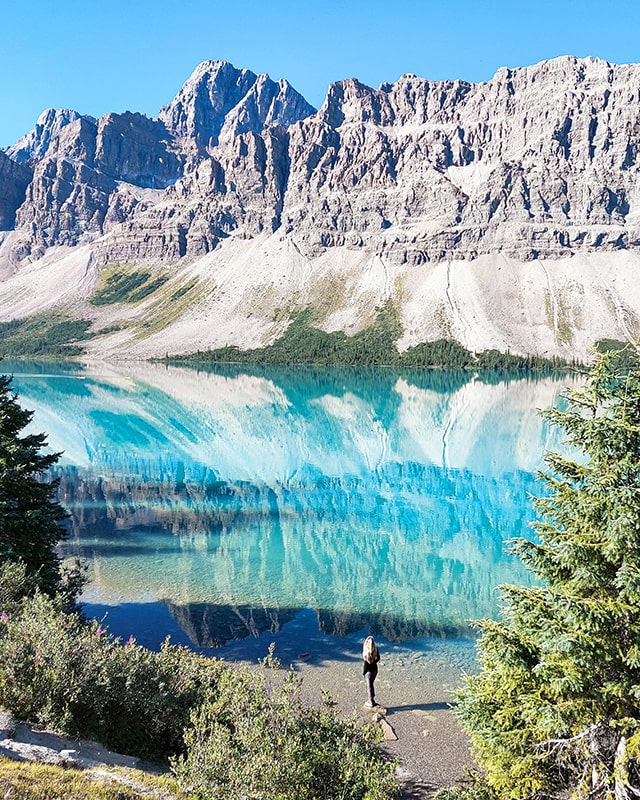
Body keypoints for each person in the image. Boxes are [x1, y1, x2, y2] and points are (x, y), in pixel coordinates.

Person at [362, 635, 380, 708]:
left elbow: (366, 665)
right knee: (371, 685)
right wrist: (374, 662)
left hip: (368, 672)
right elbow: (378, 658)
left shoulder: (365, 652)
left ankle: (370, 701)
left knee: (369, 686)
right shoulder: (375, 649)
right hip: (375, 670)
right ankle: (373, 699)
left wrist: (364, 672)